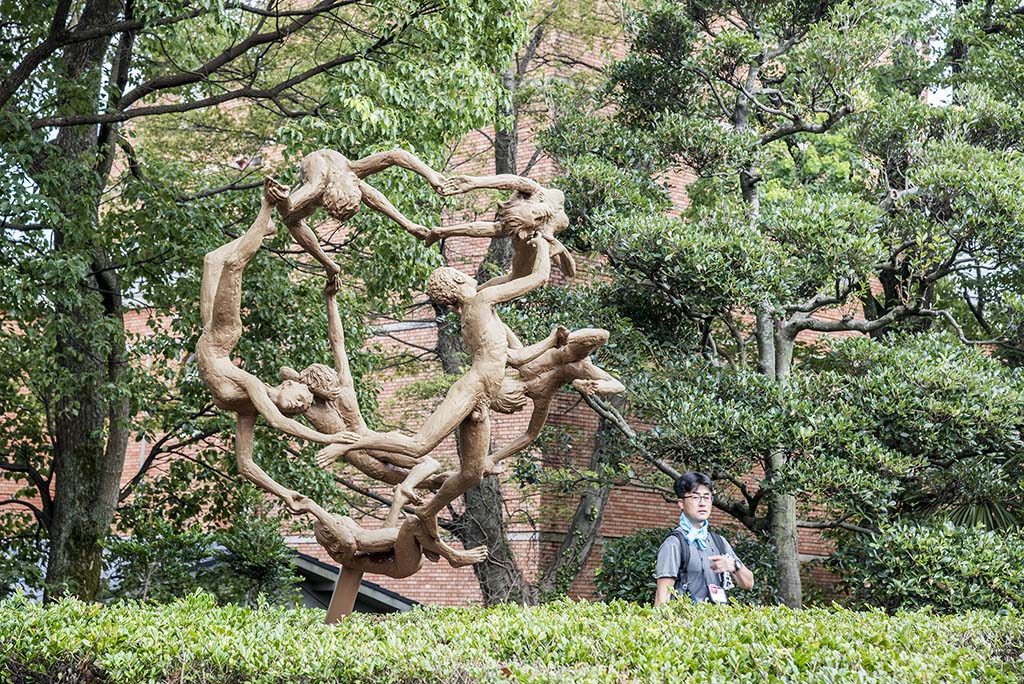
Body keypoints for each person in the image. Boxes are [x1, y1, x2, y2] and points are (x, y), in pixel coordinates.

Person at [317, 235, 555, 542]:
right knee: (419, 445)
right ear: (459, 280)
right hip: (472, 388)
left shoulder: (483, 311)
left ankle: (428, 511)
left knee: (472, 473)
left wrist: (551, 340)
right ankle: (349, 443)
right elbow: (538, 276)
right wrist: (546, 243)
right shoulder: (481, 302)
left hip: (485, 397)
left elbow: (519, 355)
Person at [196, 179, 358, 512]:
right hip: (221, 337)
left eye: (299, 406)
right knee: (233, 264)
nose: (299, 406)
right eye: (301, 398)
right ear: (286, 383)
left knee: (214, 260)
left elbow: (246, 465)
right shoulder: (253, 386)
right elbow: (281, 423)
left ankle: (264, 229)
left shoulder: (247, 409)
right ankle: (267, 208)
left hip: (207, 336)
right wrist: (330, 439)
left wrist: (284, 493)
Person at [268, 148, 446, 279]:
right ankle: (329, 264)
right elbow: (288, 207)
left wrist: (431, 174)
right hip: (316, 174)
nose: (359, 183)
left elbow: (395, 155)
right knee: (290, 221)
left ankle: (331, 266)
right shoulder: (316, 187)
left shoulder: (351, 173)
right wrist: (282, 197)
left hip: (338, 177)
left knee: (362, 187)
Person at [654, 472, 754, 605]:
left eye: (707, 497)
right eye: (695, 497)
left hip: (716, 622)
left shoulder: (719, 542)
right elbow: (663, 597)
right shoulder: (674, 543)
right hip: (685, 623)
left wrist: (734, 566)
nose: (702, 503)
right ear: (681, 503)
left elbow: (749, 583)